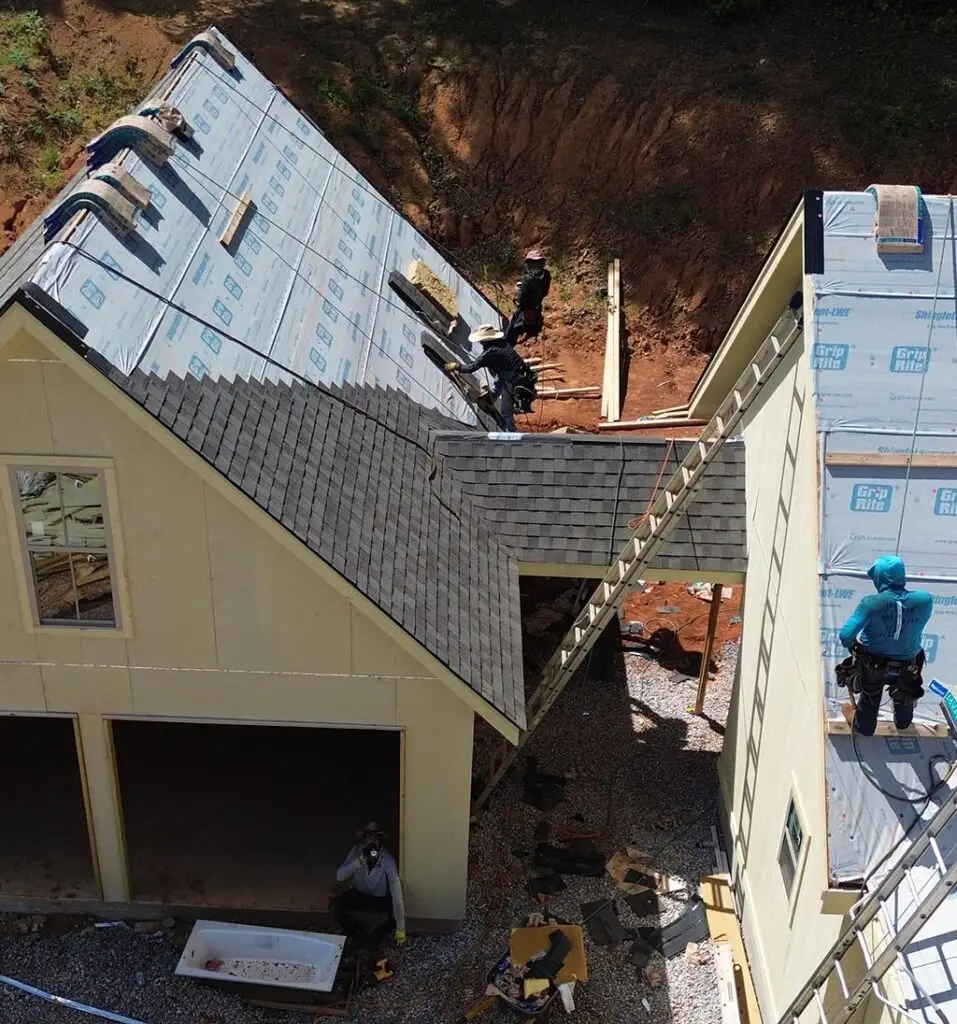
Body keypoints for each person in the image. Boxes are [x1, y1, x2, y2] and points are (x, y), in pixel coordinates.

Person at [838, 555, 933, 736]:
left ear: (880, 577)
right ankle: (903, 718)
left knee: (870, 699)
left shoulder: (871, 603)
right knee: (906, 692)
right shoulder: (925, 600)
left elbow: (846, 635)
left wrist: (855, 647)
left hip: (874, 665)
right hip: (908, 664)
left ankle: (860, 721)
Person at [332, 822, 406, 946]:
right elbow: (339, 876)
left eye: (376, 839)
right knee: (335, 907)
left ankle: (374, 939)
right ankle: (355, 933)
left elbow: (397, 894)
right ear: (364, 840)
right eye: (369, 838)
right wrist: (359, 862)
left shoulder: (387, 860)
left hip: (378, 899)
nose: (373, 843)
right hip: (358, 895)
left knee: (392, 915)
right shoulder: (356, 852)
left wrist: (401, 928)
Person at [446, 323, 530, 432]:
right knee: (499, 380)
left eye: (481, 341)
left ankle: (511, 434)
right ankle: (492, 396)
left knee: (505, 411)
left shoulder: (490, 353)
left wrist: (458, 366)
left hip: (514, 380)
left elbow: (472, 367)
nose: (480, 343)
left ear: (486, 340)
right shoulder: (502, 343)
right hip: (516, 371)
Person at [504, 250, 551, 347]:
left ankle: (507, 352)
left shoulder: (528, 278)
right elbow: (545, 292)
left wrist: (518, 297)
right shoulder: (547, 275)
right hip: (537, 312)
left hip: (524, 314)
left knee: (510, 335)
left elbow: (521, 300)